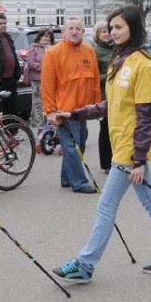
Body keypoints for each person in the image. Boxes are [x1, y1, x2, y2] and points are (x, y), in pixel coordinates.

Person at [50, 4, 151, 284]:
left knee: (106, 204)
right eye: (111, 28)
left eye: (119, 27)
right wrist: (74, 113)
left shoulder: (144, 65)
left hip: (130, 149)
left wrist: (138, 159)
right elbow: (109, 105)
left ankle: (85, 264)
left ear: (133, 28)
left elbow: (146, 117)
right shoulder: (119, 60)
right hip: (122, 143)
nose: (113, 32)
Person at [42, 17, 100, 194]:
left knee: (80, 144)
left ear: (83, 31)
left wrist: (96, 107)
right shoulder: (53, 53)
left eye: (78, 28)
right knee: (72, 146)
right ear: (63, 31)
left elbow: (95, 81)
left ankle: (66, 178)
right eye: (71, 29)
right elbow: (47, 85)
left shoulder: (89, 52)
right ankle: (79, 182)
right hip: (64, 110)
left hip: (82, 110)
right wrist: (50, 112)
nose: (74, 32)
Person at [92, 20, 114, 173]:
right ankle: (106, 163)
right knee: (105, 129)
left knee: (116, 129)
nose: (107, 34)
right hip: (104, 95)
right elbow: (93, 77)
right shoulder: (95, 52)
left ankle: (117, 159)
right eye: (103, 32)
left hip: (117, 94)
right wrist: (111, 75)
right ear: (97, 35)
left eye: (108, 31)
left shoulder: (116, 49)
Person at [25, 27, 53, 127]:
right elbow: (31, 63)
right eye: (45, 36)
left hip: (49, 80)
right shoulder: (33, 47)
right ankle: (39, 125)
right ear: (40, 37)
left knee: (48, 102)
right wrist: (45, 67)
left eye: (49, 37)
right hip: (37, 80)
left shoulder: (52, 48)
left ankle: (48, 124)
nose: (47, 39)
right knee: (37, 103)